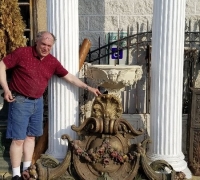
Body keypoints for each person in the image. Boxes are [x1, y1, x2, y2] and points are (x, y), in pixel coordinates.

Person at [0, 31, 101, 180]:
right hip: (20, 101)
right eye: (43, 44)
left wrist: (89, 88)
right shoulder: (22, 53)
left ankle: (27, 171)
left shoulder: (52, 62)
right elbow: (2, 65)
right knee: (18, 139)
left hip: (38, 102)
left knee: (31, 137)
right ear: (36, 42)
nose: (46, 48)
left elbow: (70, 78)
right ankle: (16, 175)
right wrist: (6, 89)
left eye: (49, 45)